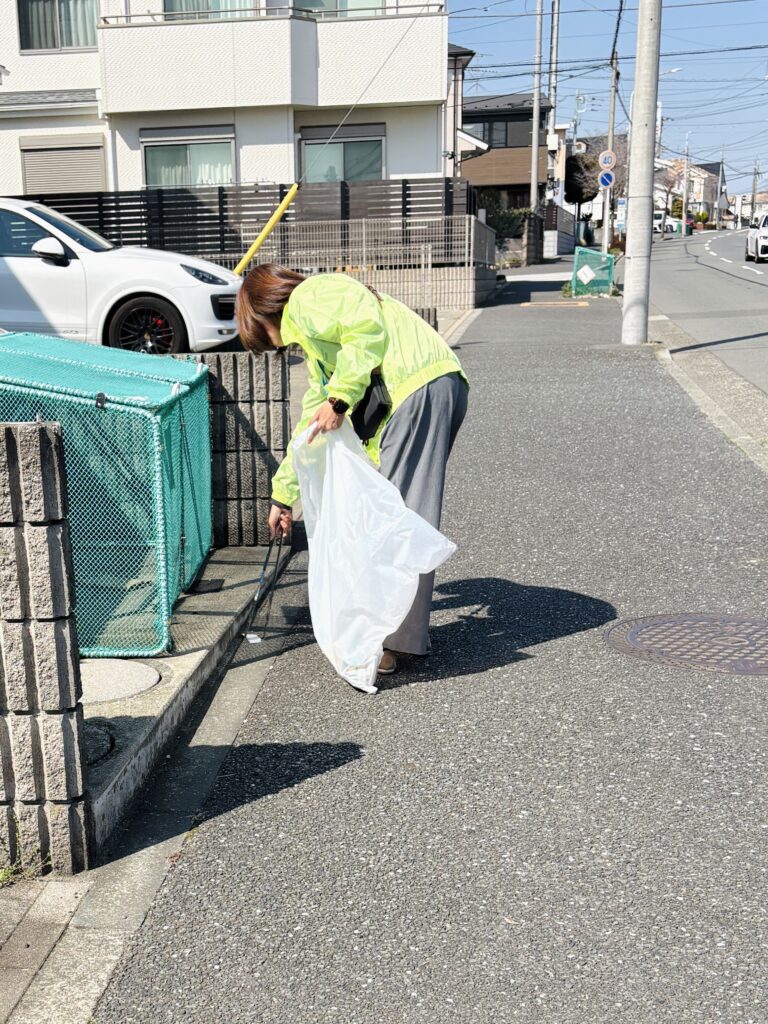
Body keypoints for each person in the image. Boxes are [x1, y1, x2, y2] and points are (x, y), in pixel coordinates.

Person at [235, 264, 468, 675]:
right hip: (430, 386)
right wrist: (283, 494)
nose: (275, 348)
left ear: (263, 311)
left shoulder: (311, 297)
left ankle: (383, 642)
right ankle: (391, 637)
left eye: (265, 338)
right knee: (397, 514)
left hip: (415, 388)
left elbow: (364, 326)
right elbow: (312, 424)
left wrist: (341, 398)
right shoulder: (315, 341)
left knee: (397, 518)